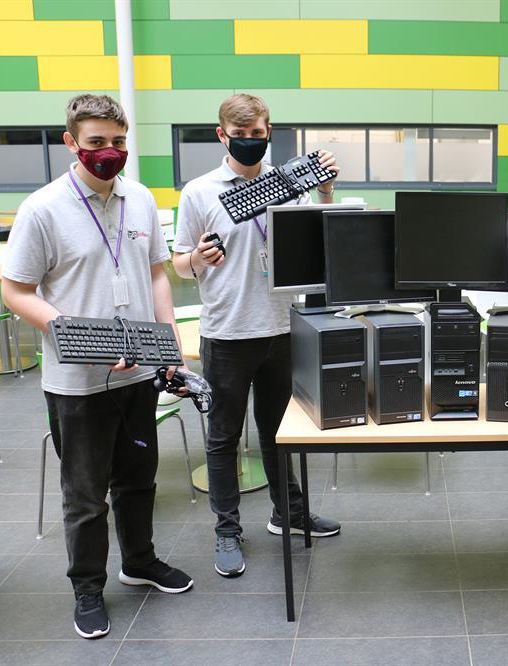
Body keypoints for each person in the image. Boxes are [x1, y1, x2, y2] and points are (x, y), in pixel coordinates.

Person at [1, 94, 194, 639]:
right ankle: (88, 586)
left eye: (117, 142)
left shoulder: (140, 200)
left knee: (138, 479)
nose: (109, 152)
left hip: (137, 372)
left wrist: (168, 345)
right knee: (85, 495)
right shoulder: (43, 208)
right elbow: (16, 290)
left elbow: (158, 273)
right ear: (71, 143)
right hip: (77, 383)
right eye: (95, 143)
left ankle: (139, 561)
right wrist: (83, 340)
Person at [172, 93, 341, 579]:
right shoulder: (200, 192)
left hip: (282, 327)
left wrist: (325, 189)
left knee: (278, 431)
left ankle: (287, 512)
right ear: (222, 135)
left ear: (270, 132)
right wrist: (197, 260)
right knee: (224, 437)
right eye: (240, 135)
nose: (251, 142)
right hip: (227, 331)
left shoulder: (288, 182)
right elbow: (180, 264)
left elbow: (321, 234)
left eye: (258, 133)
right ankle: (227, 530)